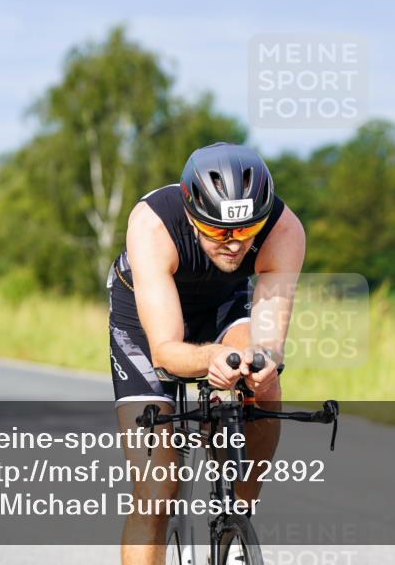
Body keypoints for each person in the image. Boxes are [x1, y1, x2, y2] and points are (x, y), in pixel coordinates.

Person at [108, 142, 305, 565]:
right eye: (218, 232)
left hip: (224, 303)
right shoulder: (153, 224)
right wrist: (210, 358)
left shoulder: (284, 229)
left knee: (264, 380)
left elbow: (269, 339)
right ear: (192, 213)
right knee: (157, 491)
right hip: (145, 319)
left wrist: (262, 362)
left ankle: (237, 519)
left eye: (247, 230)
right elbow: (165, 350)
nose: (234, 244)